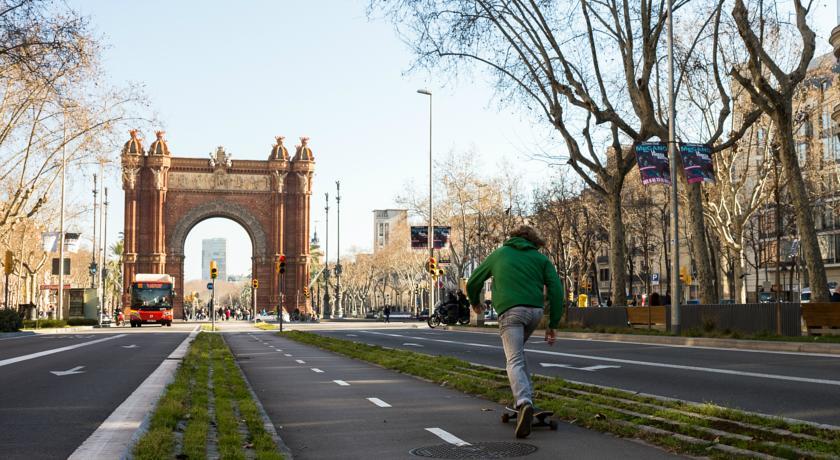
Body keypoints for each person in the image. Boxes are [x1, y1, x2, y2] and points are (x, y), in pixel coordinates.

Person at [467, 225, 564, 439]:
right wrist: (553, 323)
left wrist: (475, 302)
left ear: (513, 238)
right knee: (518, 356)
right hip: (535, 313)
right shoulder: (541, 260)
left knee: (514, 360)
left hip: (511, 313)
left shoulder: (500, 254)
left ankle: (523, 403)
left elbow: (473, 280)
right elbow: (557, 290)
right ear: (533, 241)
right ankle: (524, 398)